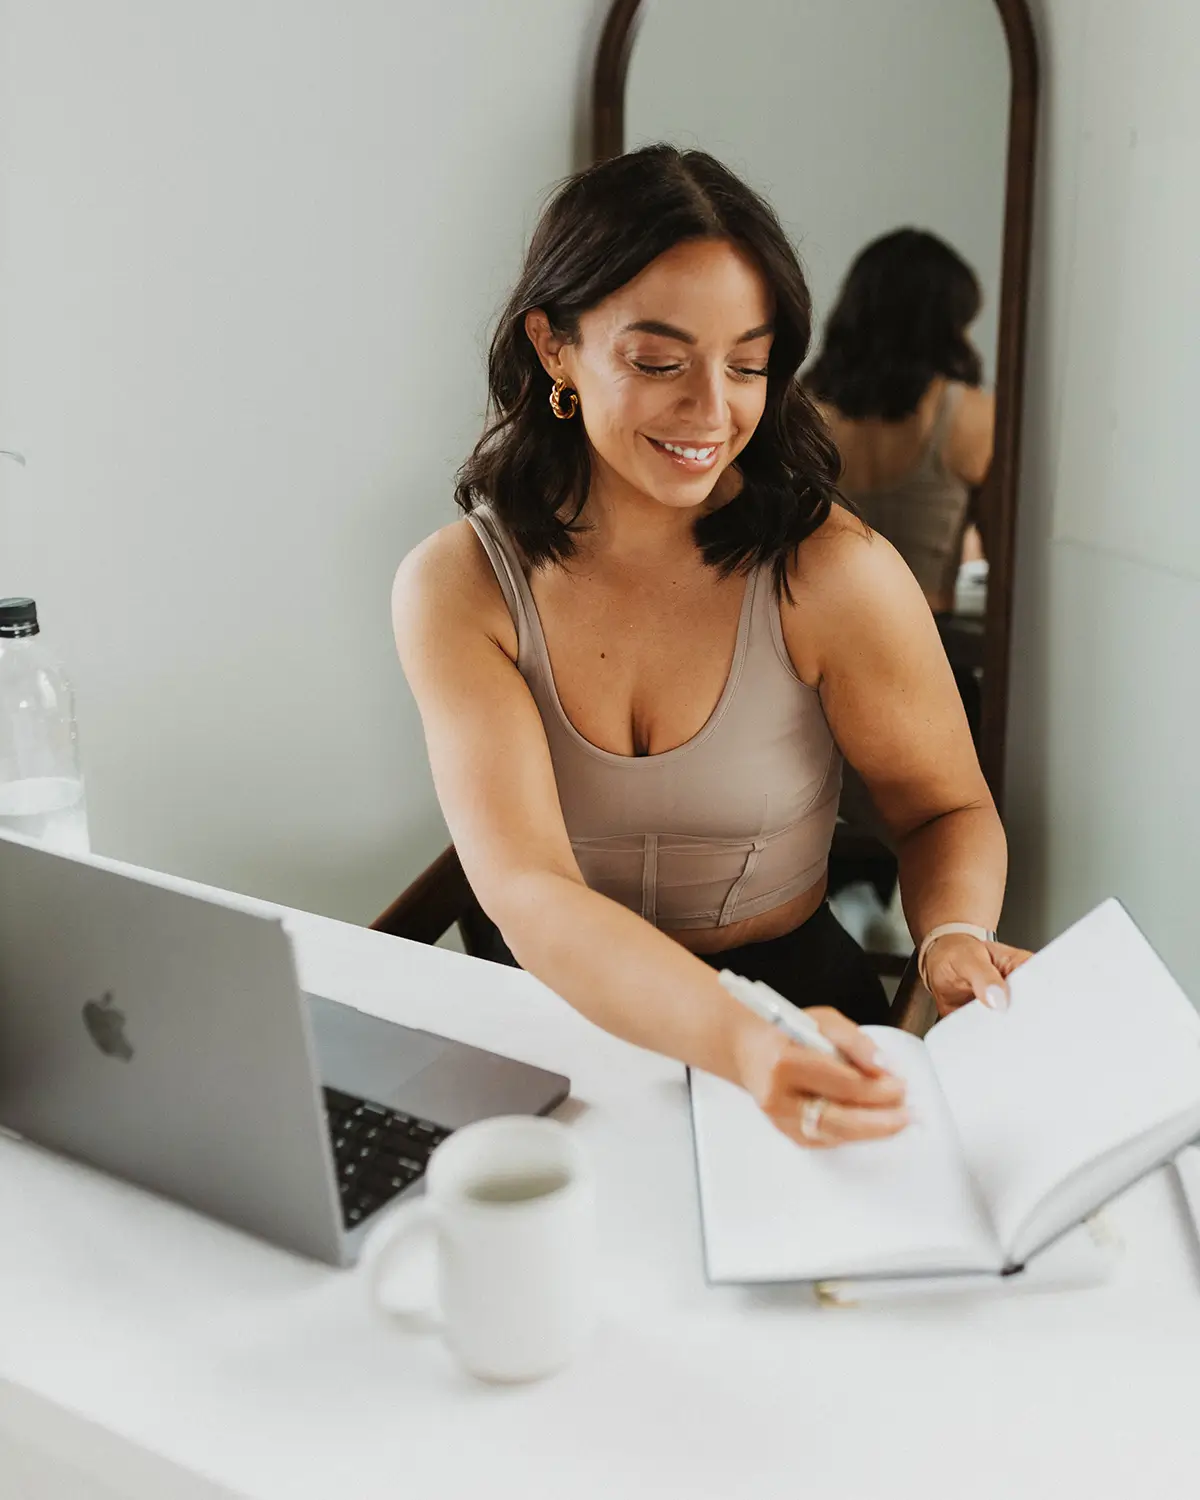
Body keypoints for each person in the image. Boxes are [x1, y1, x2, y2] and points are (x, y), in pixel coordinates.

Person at [392, 147, 1028, 1154]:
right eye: (657, 363)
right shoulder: (458, 586)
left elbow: (945, 809)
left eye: (747, 364)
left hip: (803, 1006)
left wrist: (950, 937)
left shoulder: (834, 574)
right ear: (554, 346)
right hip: (549, 1027)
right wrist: (743, 1043)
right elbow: (528, 890)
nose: (711, 411)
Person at [806, 229, 994, 616]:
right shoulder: (971, 415)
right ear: (946, 325)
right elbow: (1006, 561)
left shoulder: (801, 406)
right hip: (927, 643)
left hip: (814, 646)